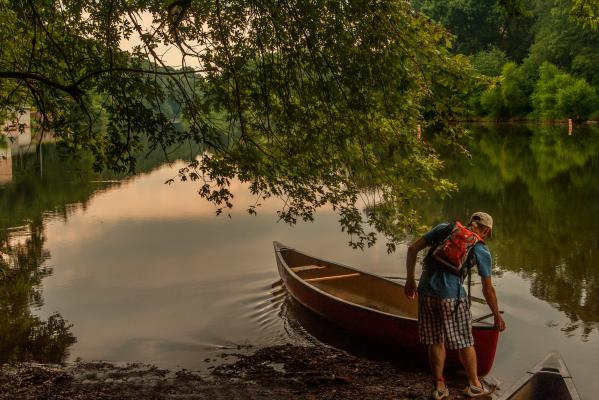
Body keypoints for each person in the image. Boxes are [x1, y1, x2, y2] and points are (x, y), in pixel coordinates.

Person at [404, 212, 506, 399]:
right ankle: (475, 385)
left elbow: (412, 249)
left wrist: (409, 280)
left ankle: (439, 388)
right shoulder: (481, 249)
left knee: (436, 340)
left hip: (425, 292)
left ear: (470, 222)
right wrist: (496, 316)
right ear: (487, 230)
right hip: (452, 299)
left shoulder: (445, 228)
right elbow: (488, 289)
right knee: (465, 342)